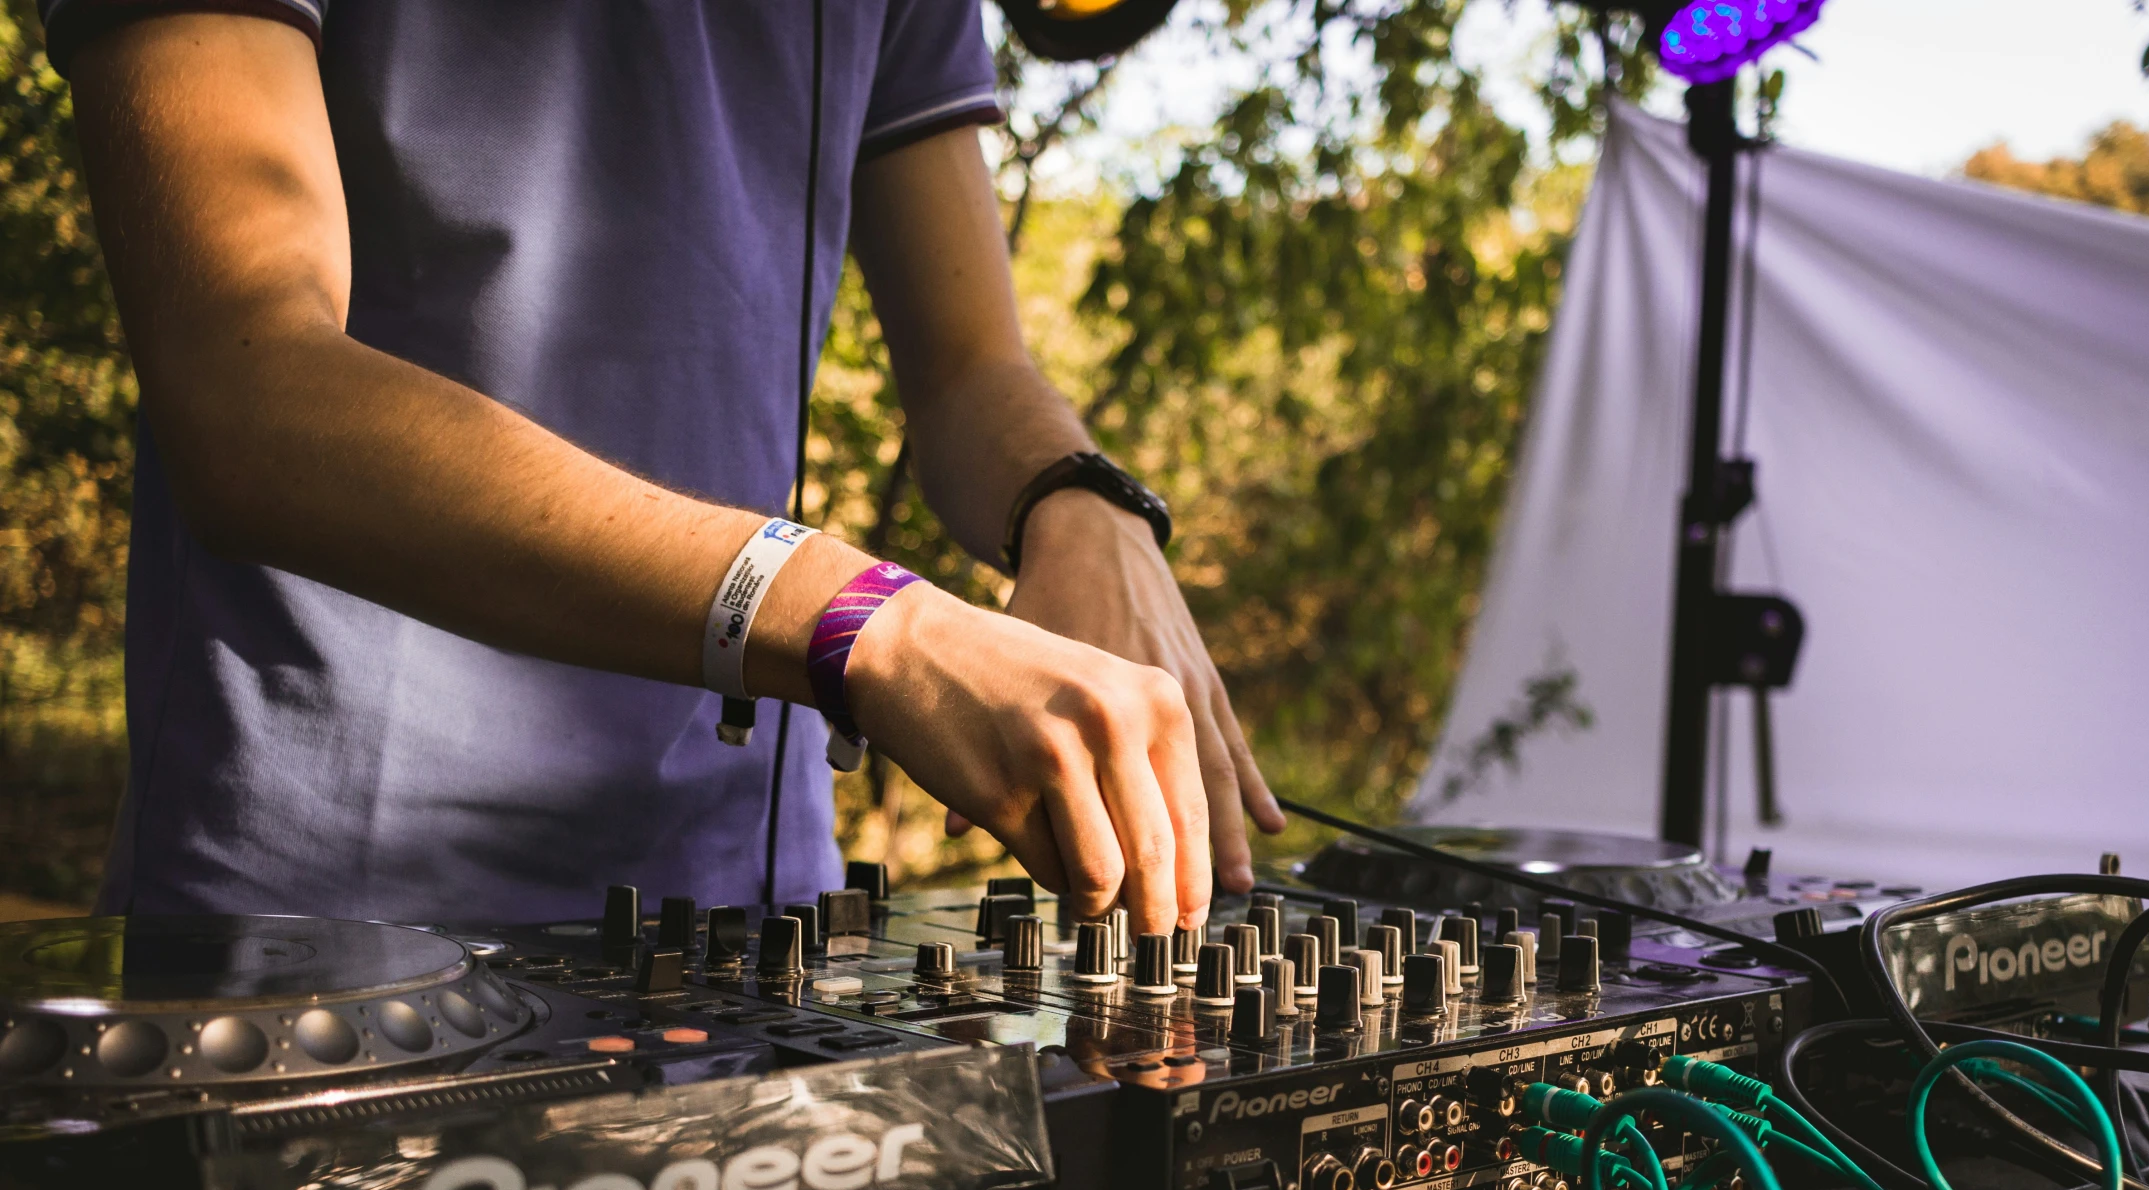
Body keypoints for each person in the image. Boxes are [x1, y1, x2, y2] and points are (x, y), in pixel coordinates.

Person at [47, 0, 1281, 936]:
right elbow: (250, 390)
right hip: (321, 929)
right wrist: (869, 624)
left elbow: (969, 375)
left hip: (747, 925)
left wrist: (1080, 503)